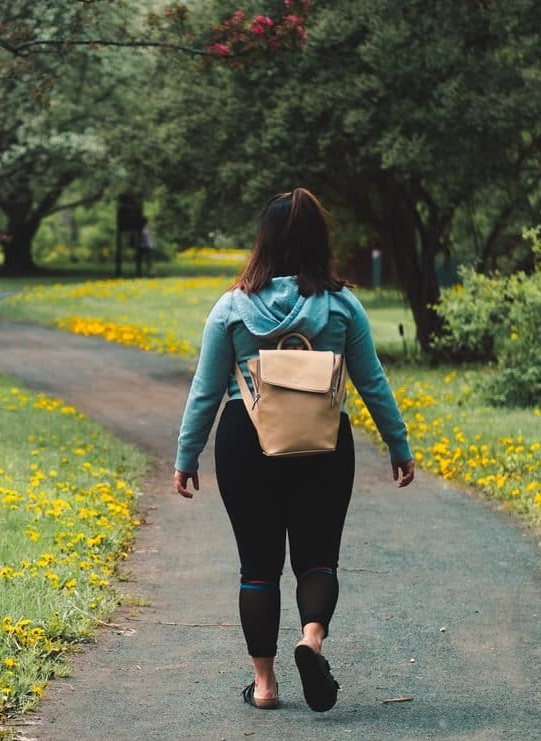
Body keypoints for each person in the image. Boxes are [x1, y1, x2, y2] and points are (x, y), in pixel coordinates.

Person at [172, 188, 415, 713]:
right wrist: (398, 445)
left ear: (264, 242)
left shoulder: (232, 306)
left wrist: (186, 455)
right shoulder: (342, 305)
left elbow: (206, 389)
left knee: (257, 568)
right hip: (323, 442)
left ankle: (263, 685)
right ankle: (311, 641)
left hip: (245, 440)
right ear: (317, 242)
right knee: (317, 559)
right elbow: (372, 383)